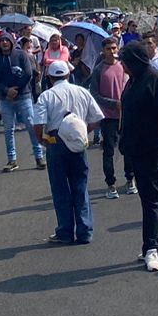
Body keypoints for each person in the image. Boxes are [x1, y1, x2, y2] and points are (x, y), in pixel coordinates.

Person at [118, 42, 158, 271]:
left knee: (149, 200)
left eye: (125, 61)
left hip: (152, 148)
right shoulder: (133, 80)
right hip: (135, 147)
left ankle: (150, 248)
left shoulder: (156, 79)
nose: (122, 65)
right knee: (151, 196)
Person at [35, 59, 103, 245]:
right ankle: (85, 231)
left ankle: (65, 231)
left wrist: (42, 140)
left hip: (56, 141)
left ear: (49, 77)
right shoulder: (82, 91)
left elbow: (38, 124)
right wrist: (82, 132)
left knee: (60, 187)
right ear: (68, 75)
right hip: (78, 141)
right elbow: (97, 118)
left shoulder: (47, 96)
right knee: (80, 185)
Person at [0, 34, 41, 172]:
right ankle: (12, 160)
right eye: (2, 41)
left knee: (31, 125)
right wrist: (7, 91)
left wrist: (16, 90)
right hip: (5, 99)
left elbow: (28, 73)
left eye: (7, 40)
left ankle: (39, 156)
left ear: (12, 42)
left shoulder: (21, 55)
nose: (4, 43)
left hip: (23, 96)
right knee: (8, 129)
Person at [91, 37, 133, 198]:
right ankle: (111, 184)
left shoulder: (125, 66)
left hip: (126, 115)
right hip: (108, 117)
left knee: (128, 148)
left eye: (114, 48)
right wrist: (113, 103)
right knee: (109, 150)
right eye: (108, 49)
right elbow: (95, 94)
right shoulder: (98, 70)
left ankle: (130, 179)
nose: (112, 51)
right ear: (103, 51)